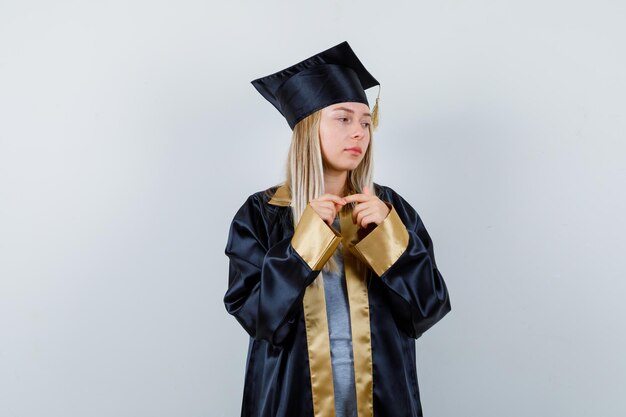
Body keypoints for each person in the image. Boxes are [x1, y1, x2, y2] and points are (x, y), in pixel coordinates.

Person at [224, 41, 451, 417]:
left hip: (383, 402)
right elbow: (260, 319)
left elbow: (426, 311)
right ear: (308, 127)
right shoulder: (263, 214)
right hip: (291, 399)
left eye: (365, 122)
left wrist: (388, 237)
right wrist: (306, 241)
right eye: (343, 119)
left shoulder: (388, 209)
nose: (360, 133)